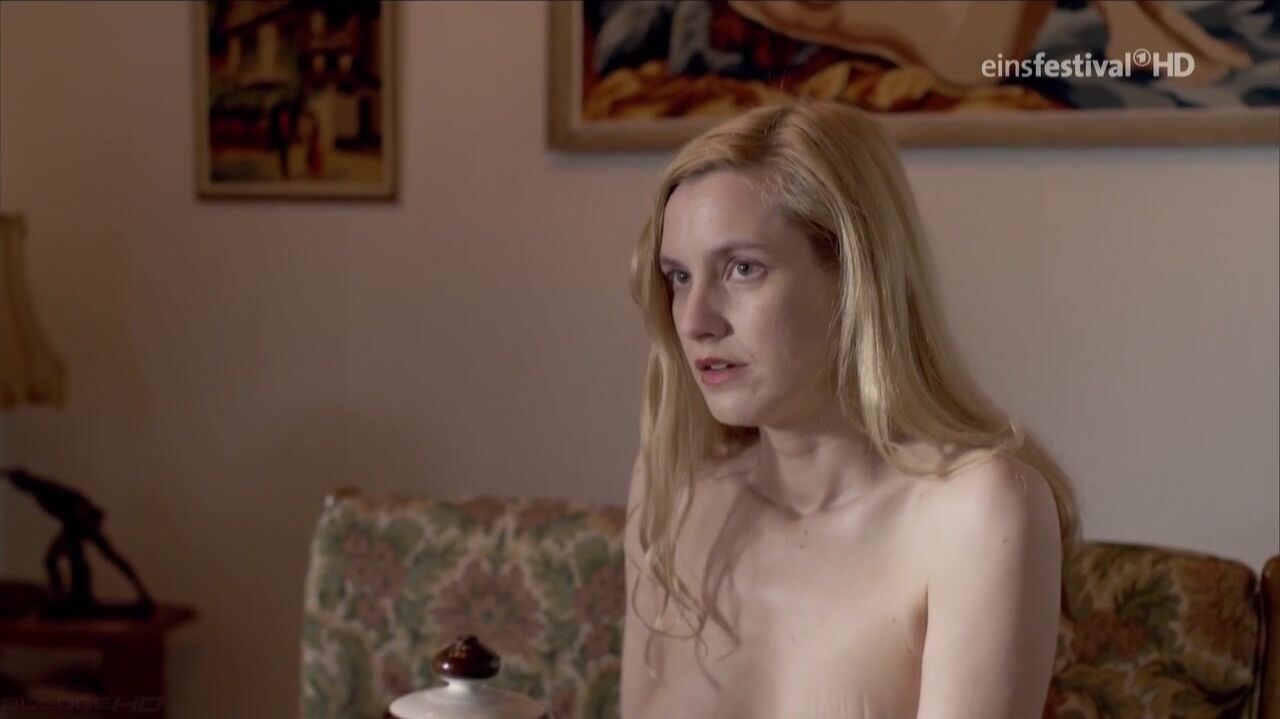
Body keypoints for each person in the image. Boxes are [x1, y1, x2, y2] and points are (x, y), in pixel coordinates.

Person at [621, 99, 1081, 719]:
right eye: (678, 277)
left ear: (853, 276)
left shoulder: (978, 511)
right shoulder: (674, 487)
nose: (695, 320)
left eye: (742, 269)